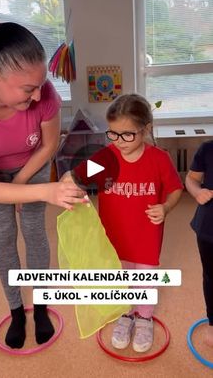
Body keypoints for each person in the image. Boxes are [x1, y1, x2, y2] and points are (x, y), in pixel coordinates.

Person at [0, 17, 87, 349]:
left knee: (35, 231)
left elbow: (50, 145)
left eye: (40, 85)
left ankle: (39, 307)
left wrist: (26, 181)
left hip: (33, 164)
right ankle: (16, 312)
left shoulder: (45, 95)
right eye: (28, 88)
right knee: (4, 237)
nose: (38, 94)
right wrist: (42, 191)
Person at [63, 94, 183, 352]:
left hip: (146, 237)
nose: (119, 141)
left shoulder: (159, 159)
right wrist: (67, 183)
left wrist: (166, 207)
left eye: (127, 134)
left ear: (145, 129)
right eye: (113, 134)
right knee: (120, 277)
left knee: (144, 279)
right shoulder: (106, 158)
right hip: (114, 237)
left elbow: (175, 189)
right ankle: (125, 314)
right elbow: (77, 176)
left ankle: (144, 317)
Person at [185, 141, 213, 347]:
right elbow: (192, 179)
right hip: (208, 228)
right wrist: (197, 192)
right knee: (211, 277)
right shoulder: (207, 149)